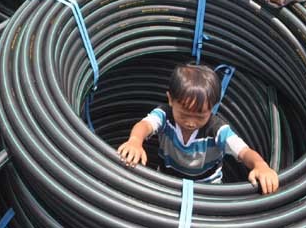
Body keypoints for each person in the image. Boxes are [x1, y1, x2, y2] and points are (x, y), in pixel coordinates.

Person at [117, 63, 279, 194]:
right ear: (171, 100)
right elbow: (144, 125)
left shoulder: (217, 129)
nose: (191, 122)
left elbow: (244, 152)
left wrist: (260, 165)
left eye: (200, 116)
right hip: (167, 182)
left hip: (208, 190)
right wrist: (135, 141)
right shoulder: (165, 116)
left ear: (213, 108)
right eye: (184, 114)